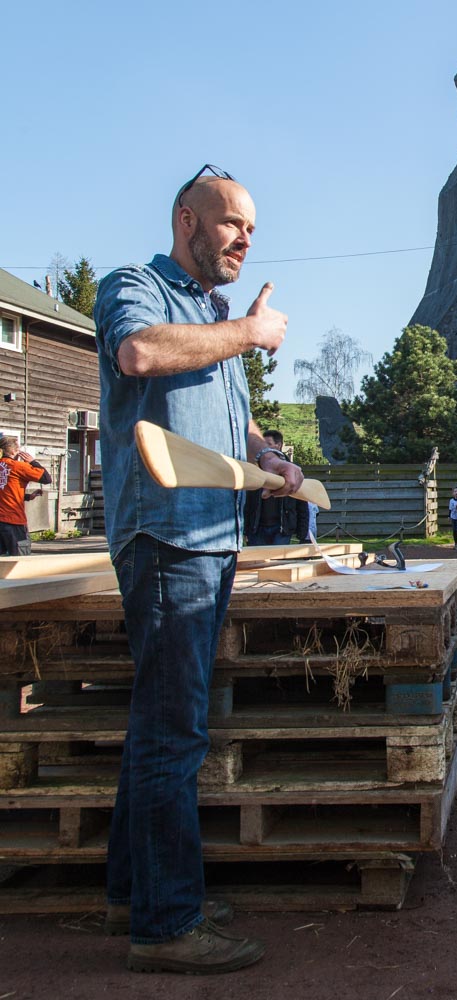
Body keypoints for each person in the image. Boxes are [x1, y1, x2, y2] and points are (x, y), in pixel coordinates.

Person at [93, 164, 304, 975]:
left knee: (160, 722)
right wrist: (248, 336)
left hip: (212, 538)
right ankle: (169, 924)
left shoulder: (216, 317)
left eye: (252, 228)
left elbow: (231, 426)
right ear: (186, 220)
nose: (246, 238)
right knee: (174, 731)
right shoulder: (136, 287)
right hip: (167, 538)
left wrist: (268, 457)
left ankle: (132, 895)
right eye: (230, 223)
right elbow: (140, 354)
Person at [243, 430, 310, 545]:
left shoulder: (292, 472)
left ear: (278, 445)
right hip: (258, 528)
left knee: (278, 562)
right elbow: (248, 503)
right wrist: (245, 528)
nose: (264, 448)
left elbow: (302, 504)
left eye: (268, 444)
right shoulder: (256, 470)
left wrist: (302, 533)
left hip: (282, 528)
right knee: (257, 562)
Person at [0, 435, 52, 555]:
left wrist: (28, 497)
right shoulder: (17, 466)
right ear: (13, 451)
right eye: (18, 450)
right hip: (13, 519)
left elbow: (5, 490)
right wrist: (33, 462)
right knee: (20, 557)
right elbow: (46, 478)